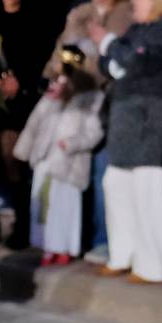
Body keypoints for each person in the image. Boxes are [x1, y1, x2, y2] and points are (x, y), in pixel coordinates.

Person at [96, 0, 162, 284]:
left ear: (157, 0)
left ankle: (155, 266)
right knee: (117, 186)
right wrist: (115, 55)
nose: (134, 1)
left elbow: (131, 61)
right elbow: (110, 63)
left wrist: (108, 43)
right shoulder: (139, 29)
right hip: (127, 121)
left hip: (154, 124)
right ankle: (123, 255)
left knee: (151, 195)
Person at [0, 0, 57, 249]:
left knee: (12, 158)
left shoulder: (35, 20)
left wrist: (20, 82)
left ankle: (22, 228)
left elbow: (39, 59)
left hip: (19, 102)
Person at [15, 46, 103, 266]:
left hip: (68, 162)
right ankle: (46, 246)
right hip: (45, 157)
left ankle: (64, 246)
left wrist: (71, 144)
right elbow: (35, 122)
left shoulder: (91, 98)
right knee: (44, 205)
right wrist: (25, 148)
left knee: (64, 206)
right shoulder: (52, 95)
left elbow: (94, 131)